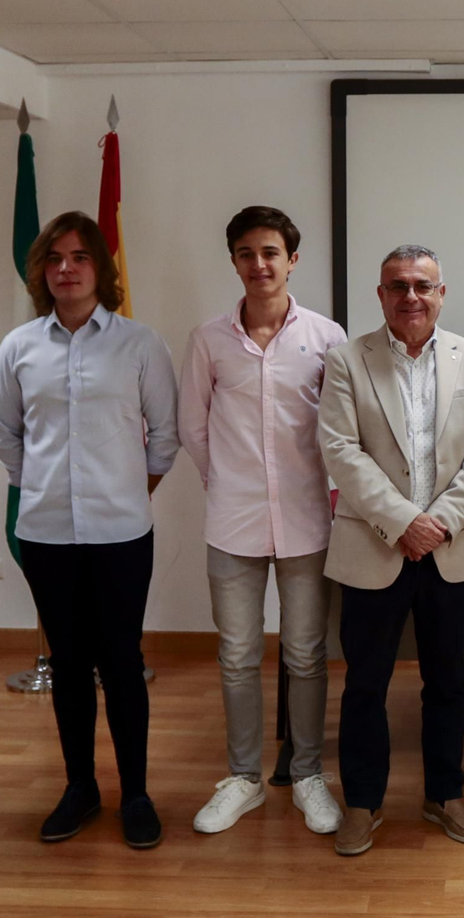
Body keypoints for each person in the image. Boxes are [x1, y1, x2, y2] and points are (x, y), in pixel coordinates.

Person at [0, 211, 179, 849]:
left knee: (122, 663)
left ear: (102, 266)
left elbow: (165, 439)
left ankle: (137, 794)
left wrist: (125, 490)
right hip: (45, 535)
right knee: (68, 665)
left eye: (80, 257)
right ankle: (80, 788)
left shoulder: (140, 344)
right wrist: (47, 488)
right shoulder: (18, 347)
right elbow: (8, 438)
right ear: (42, 271)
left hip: (122, 534)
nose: (66, 269)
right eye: (54, 259)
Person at [318, 245, 464, 857]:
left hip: (449, 550)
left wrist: (439, 523)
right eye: (397, 286)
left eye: (423, 285)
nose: (411, 297)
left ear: (442, 293)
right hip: (375, 547)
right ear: (380, 295)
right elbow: (341, 450)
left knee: (447, 682)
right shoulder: (348, 360)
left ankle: (444, 795)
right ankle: (363, 804)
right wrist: (403, 522)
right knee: (365, 686)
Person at [179, 206, 346, 836]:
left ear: (292, 260)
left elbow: (340, 430)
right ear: (234, 261)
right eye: (247, 253)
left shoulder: (326, 338)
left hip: (307, 521)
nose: (259, 264)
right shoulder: (210, 340)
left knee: (306, 654)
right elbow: (193, 427)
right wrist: (225, 482)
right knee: (237, 654)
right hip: (233, 521)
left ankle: (306, 775)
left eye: (271, 252)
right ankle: (244, 778)